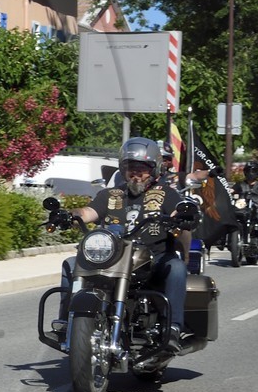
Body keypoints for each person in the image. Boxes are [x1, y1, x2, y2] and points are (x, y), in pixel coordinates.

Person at [51, 137, 193, 352]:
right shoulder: (111, 195)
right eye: (130, 167)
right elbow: (89, 212)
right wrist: (68, 215)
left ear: (154, 169)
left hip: (152, 262)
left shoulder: (166, 194)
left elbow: (178, 212)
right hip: (112, 260)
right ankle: (66, 322)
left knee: (177, 268)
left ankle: (172, 328)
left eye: (142, 168)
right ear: (122, 168)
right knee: (71, 264)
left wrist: (183, 216)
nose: (136, 172)